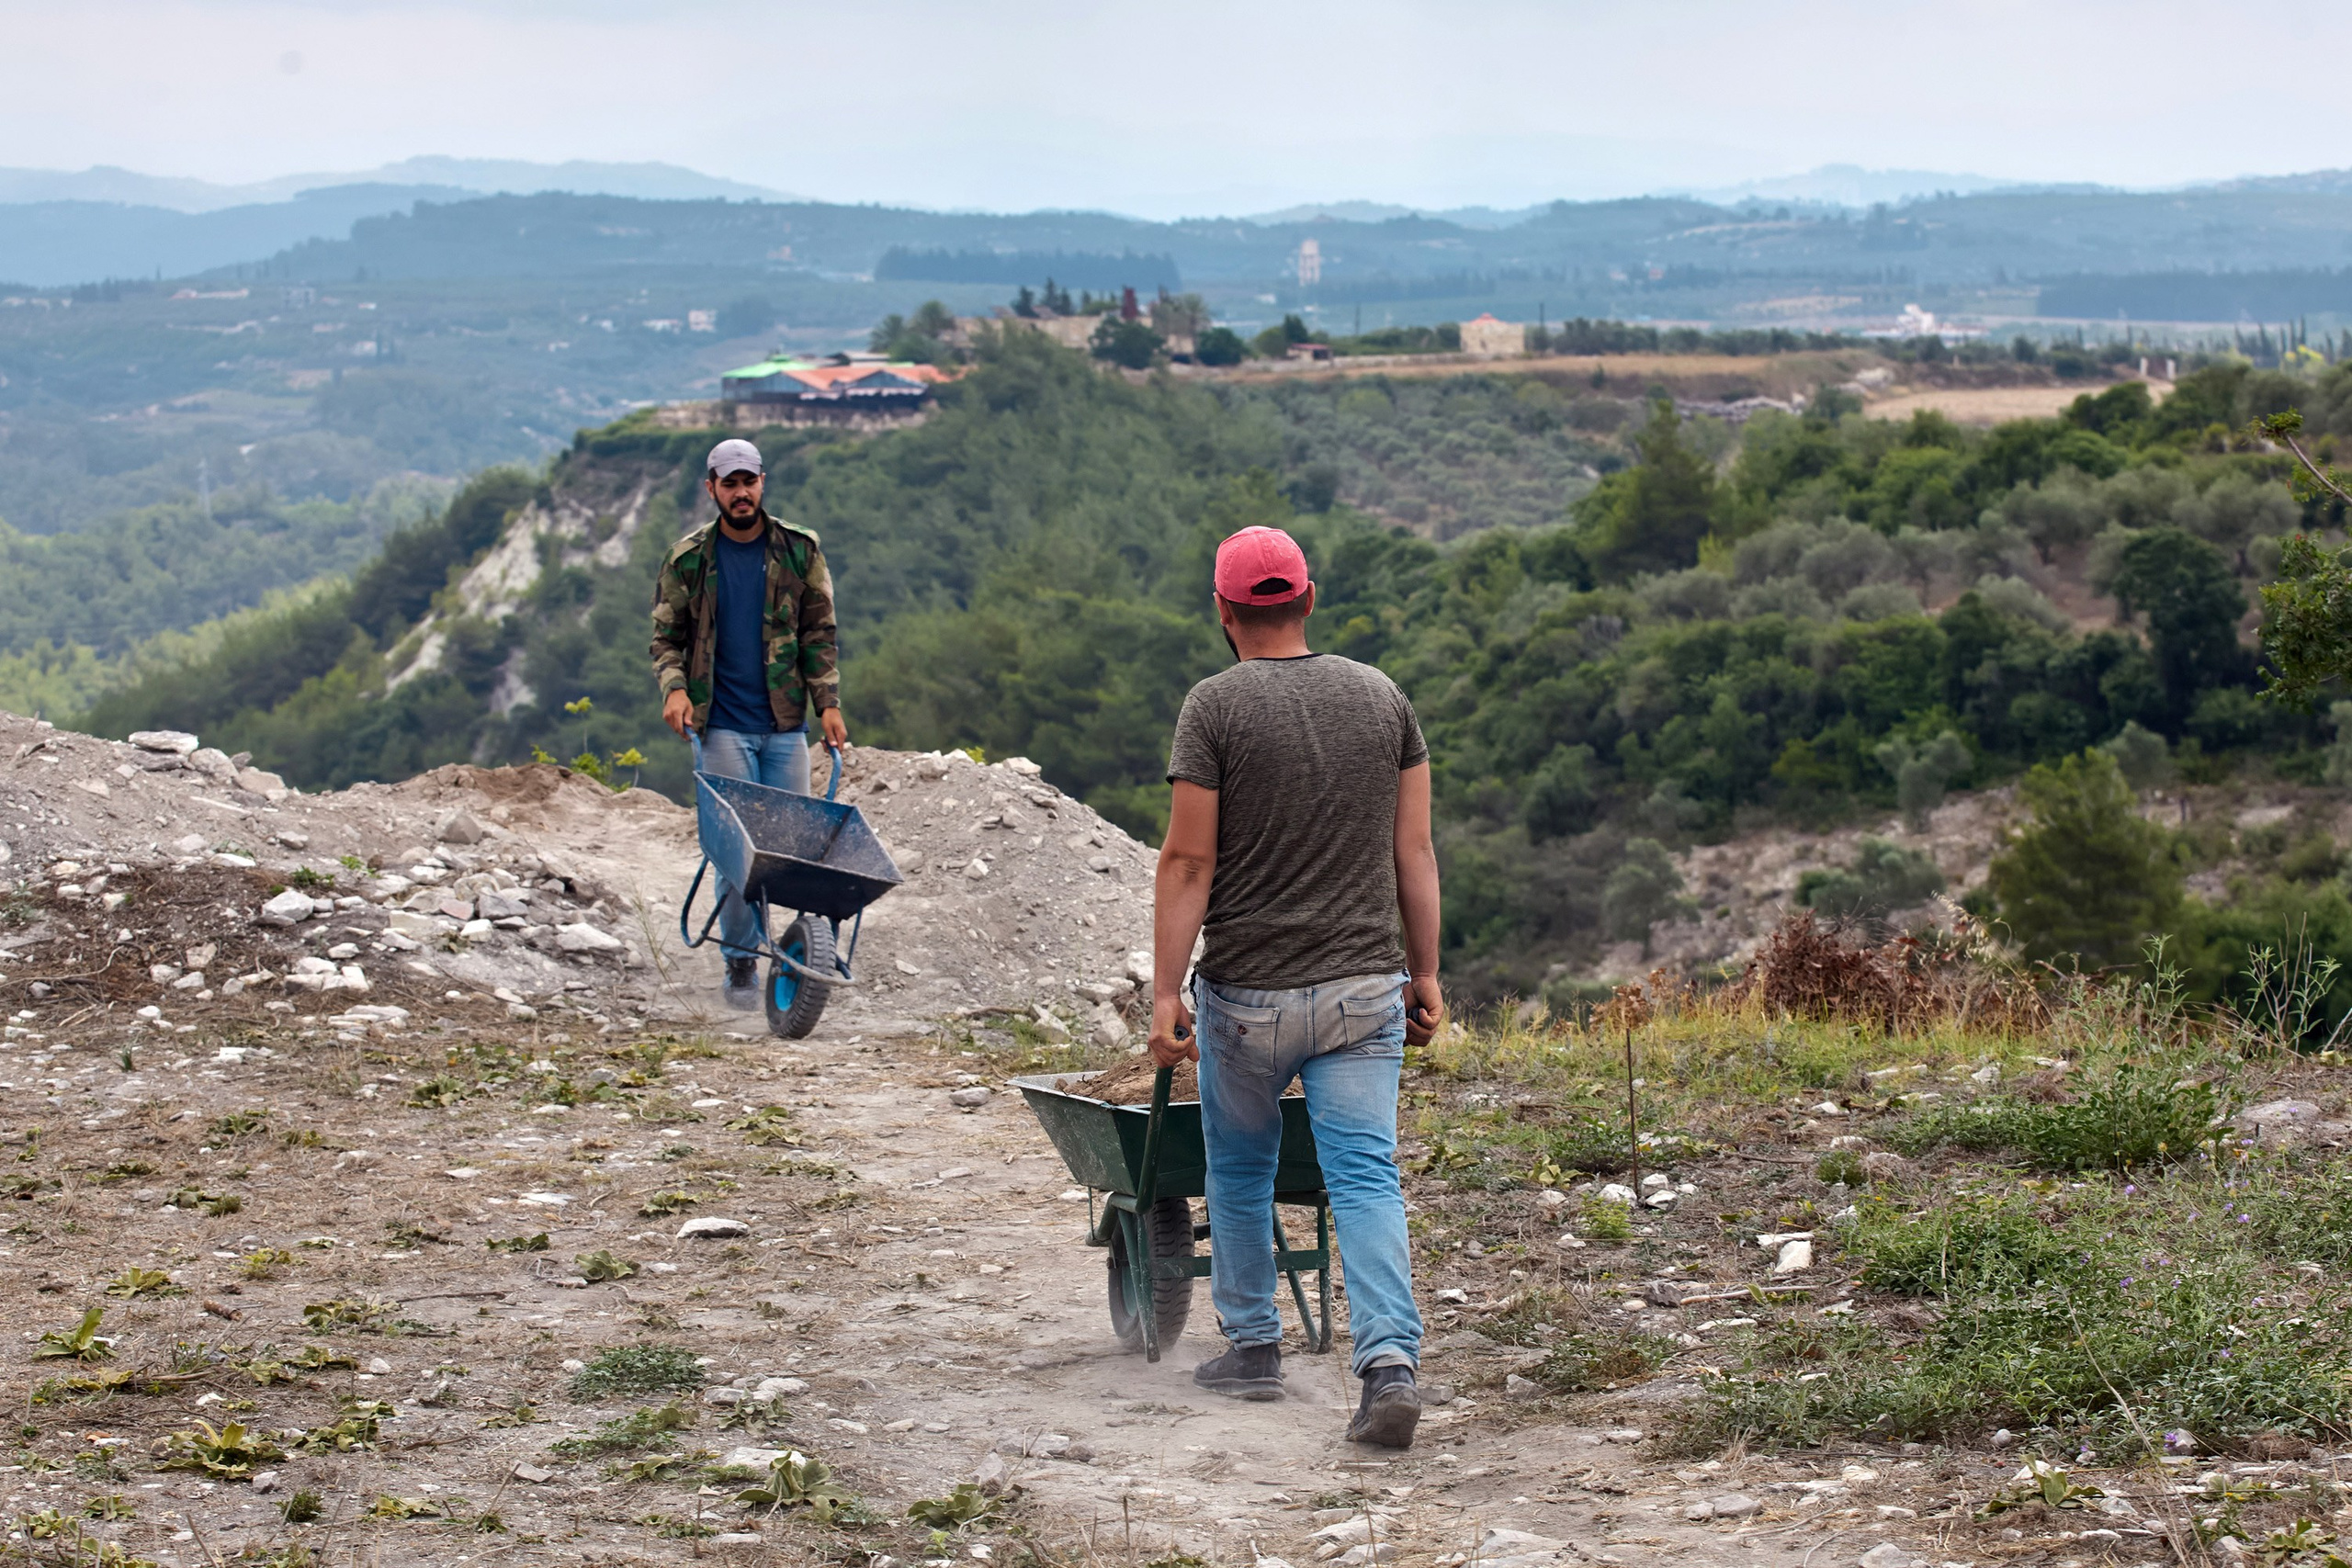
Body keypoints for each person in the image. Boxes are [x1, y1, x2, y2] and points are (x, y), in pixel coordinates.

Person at [1148, 525, 1444, 1450]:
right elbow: (1415, 850)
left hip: (1247, 997)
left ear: (1223, 612)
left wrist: (1165, 992)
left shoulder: (1212, 707)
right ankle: (1388, 1365)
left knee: (1238, 1166)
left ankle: (1251, 1348)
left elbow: (1189, 859)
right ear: (1307, 601)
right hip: (1362, 991)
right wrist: (1426, 972)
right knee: (1364, 1177)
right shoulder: (1381, 698)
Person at [650, 437, 849, 1008]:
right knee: (739, 852)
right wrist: (675, 689)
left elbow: (819, 632)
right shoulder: (690, 559)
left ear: (763, 482)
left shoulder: (798, 550)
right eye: (729, 483)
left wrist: (827, 702)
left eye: (749, 481)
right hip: (722, 726)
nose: (741, 493)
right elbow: (666, 638)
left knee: (801, 849)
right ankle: (740, 962)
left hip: (785, 724)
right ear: (711, 488)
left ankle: (810, 952)